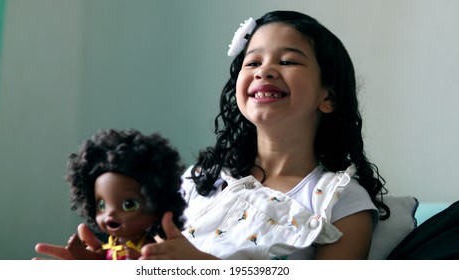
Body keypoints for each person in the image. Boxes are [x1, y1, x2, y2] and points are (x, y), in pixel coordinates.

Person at [35, 10, 388, 260]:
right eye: (252, 62)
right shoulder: (199, 181)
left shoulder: (343, 204)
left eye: (288, 61)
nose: (265, 70)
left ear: (328, 97)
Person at [34, 128, 187, 260]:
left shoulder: (149, 247)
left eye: (128, 205)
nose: (110, 213)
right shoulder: (112, 244)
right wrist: (79, 253)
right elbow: (98, 259)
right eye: (102, 205)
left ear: (156, 207)